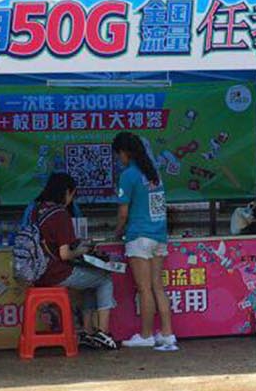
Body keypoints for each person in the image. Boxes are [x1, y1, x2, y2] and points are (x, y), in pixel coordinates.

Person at [30, 172, 119, 350]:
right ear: (67, 192)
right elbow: (64, 254)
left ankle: (87, 332)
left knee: (90, 280)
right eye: (72, 194)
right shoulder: (60, 214)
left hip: (38, 272)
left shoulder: (37, 211)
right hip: (56, 273)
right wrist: (82, 249)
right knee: (104, 278)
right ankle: (103, 332)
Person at [112, 132, 177, 352]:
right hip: (159, 235)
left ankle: (146, 335)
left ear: (124, 152)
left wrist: (117, 232)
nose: (118, 159)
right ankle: (167, 334)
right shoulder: (154, 173)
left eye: (118, 154)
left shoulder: (128, 175)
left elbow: (123, 213)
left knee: (144, 288)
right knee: (158, 286)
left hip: (139, 236)